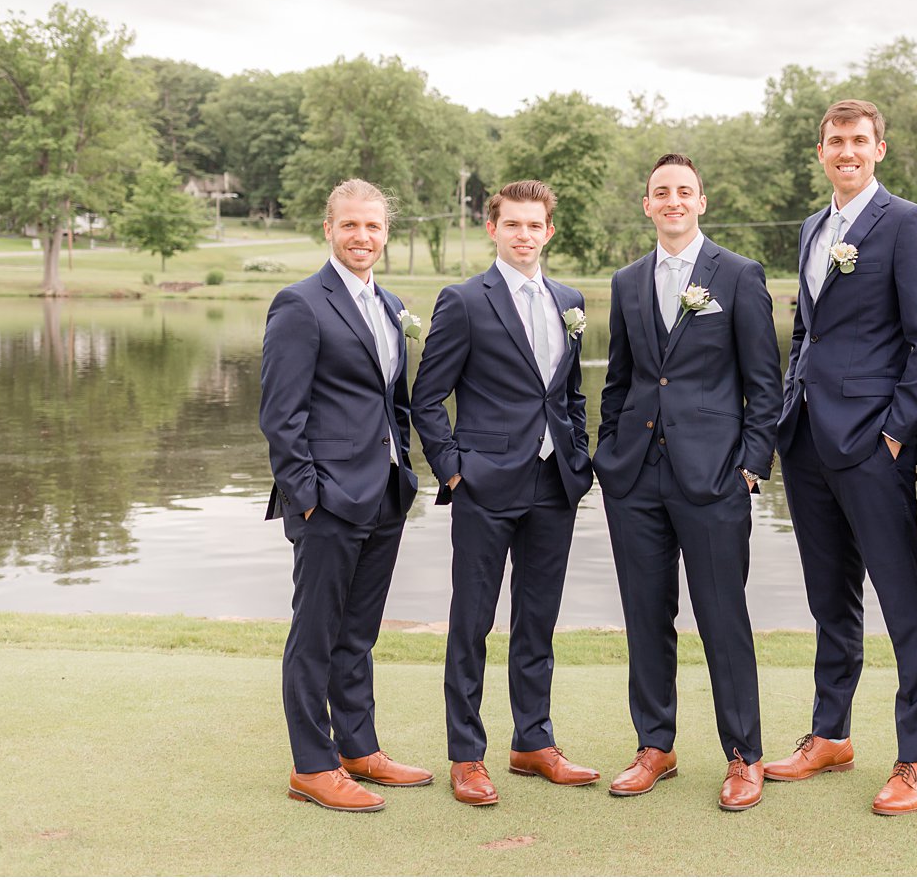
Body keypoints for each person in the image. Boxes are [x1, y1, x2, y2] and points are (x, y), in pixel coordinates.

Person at [767, 99, 917, 816]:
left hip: (874, 445)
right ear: (821, 151)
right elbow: (807, 332)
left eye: (858, 140)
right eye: (834, 140)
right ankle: (831, 733)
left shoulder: (905, 223)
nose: (846, 150)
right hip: (809, 442)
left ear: (879, 148)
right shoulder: (816, 226)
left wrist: (896, 434)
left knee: (903, 601)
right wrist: (792, 406)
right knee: (830, 598)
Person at [594, 154, 782, 812]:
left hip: (715, 476)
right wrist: (607, 457)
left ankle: (744, 755)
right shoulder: (626, 281)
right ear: (647, 204)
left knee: (722, 617)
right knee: (646, 615)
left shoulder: (738, 274)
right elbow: (620, 380)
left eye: (683, 191)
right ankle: (655, 745)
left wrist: (751, 467)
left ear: (700, 201)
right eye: (660, 192)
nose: (672, 200)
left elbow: (766, 385)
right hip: (636, 476)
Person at [410, 178, 599, 807]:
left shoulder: (569, 299)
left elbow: (567, 394)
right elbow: (427, 397)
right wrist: (454, 470)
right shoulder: (464, 300)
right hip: (484, 485)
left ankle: (533, 741)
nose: (524, 235)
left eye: (534, 225)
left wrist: (576, 456)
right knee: (472, 622)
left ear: (549, 230)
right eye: (512, 224)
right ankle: (467, 756)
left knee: (537, 622)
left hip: (553, 485)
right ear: (494, 229)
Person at [259, 178, 428, 813]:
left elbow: (394, 401)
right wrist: (307, 496)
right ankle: (313, 764)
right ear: (328, 229)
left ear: (386, 234)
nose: (363, 237)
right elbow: (281, 415)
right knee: (316, 633)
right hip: (326, 500)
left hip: (384, 491)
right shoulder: (300, 304)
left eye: (374, 227)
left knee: (358, 633)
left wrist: (402, 469)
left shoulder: (390, 305)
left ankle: (359, 749)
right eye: (351, 226)